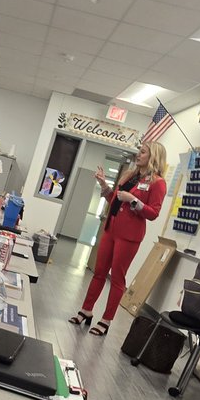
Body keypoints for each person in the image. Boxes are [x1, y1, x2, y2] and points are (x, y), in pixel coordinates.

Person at [69, 141, 167, 337]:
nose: (138, 155)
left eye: (143, 152)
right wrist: (104, 185)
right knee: (98, 273)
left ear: (153, 156)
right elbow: (115, 198)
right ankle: (86, 309)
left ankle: (106, 320)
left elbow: (153, 213)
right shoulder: (129, 175)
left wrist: (133, 200)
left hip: (129, 236)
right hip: (111, 230)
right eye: (139, 151)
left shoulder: (158, 183)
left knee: (117, 278)